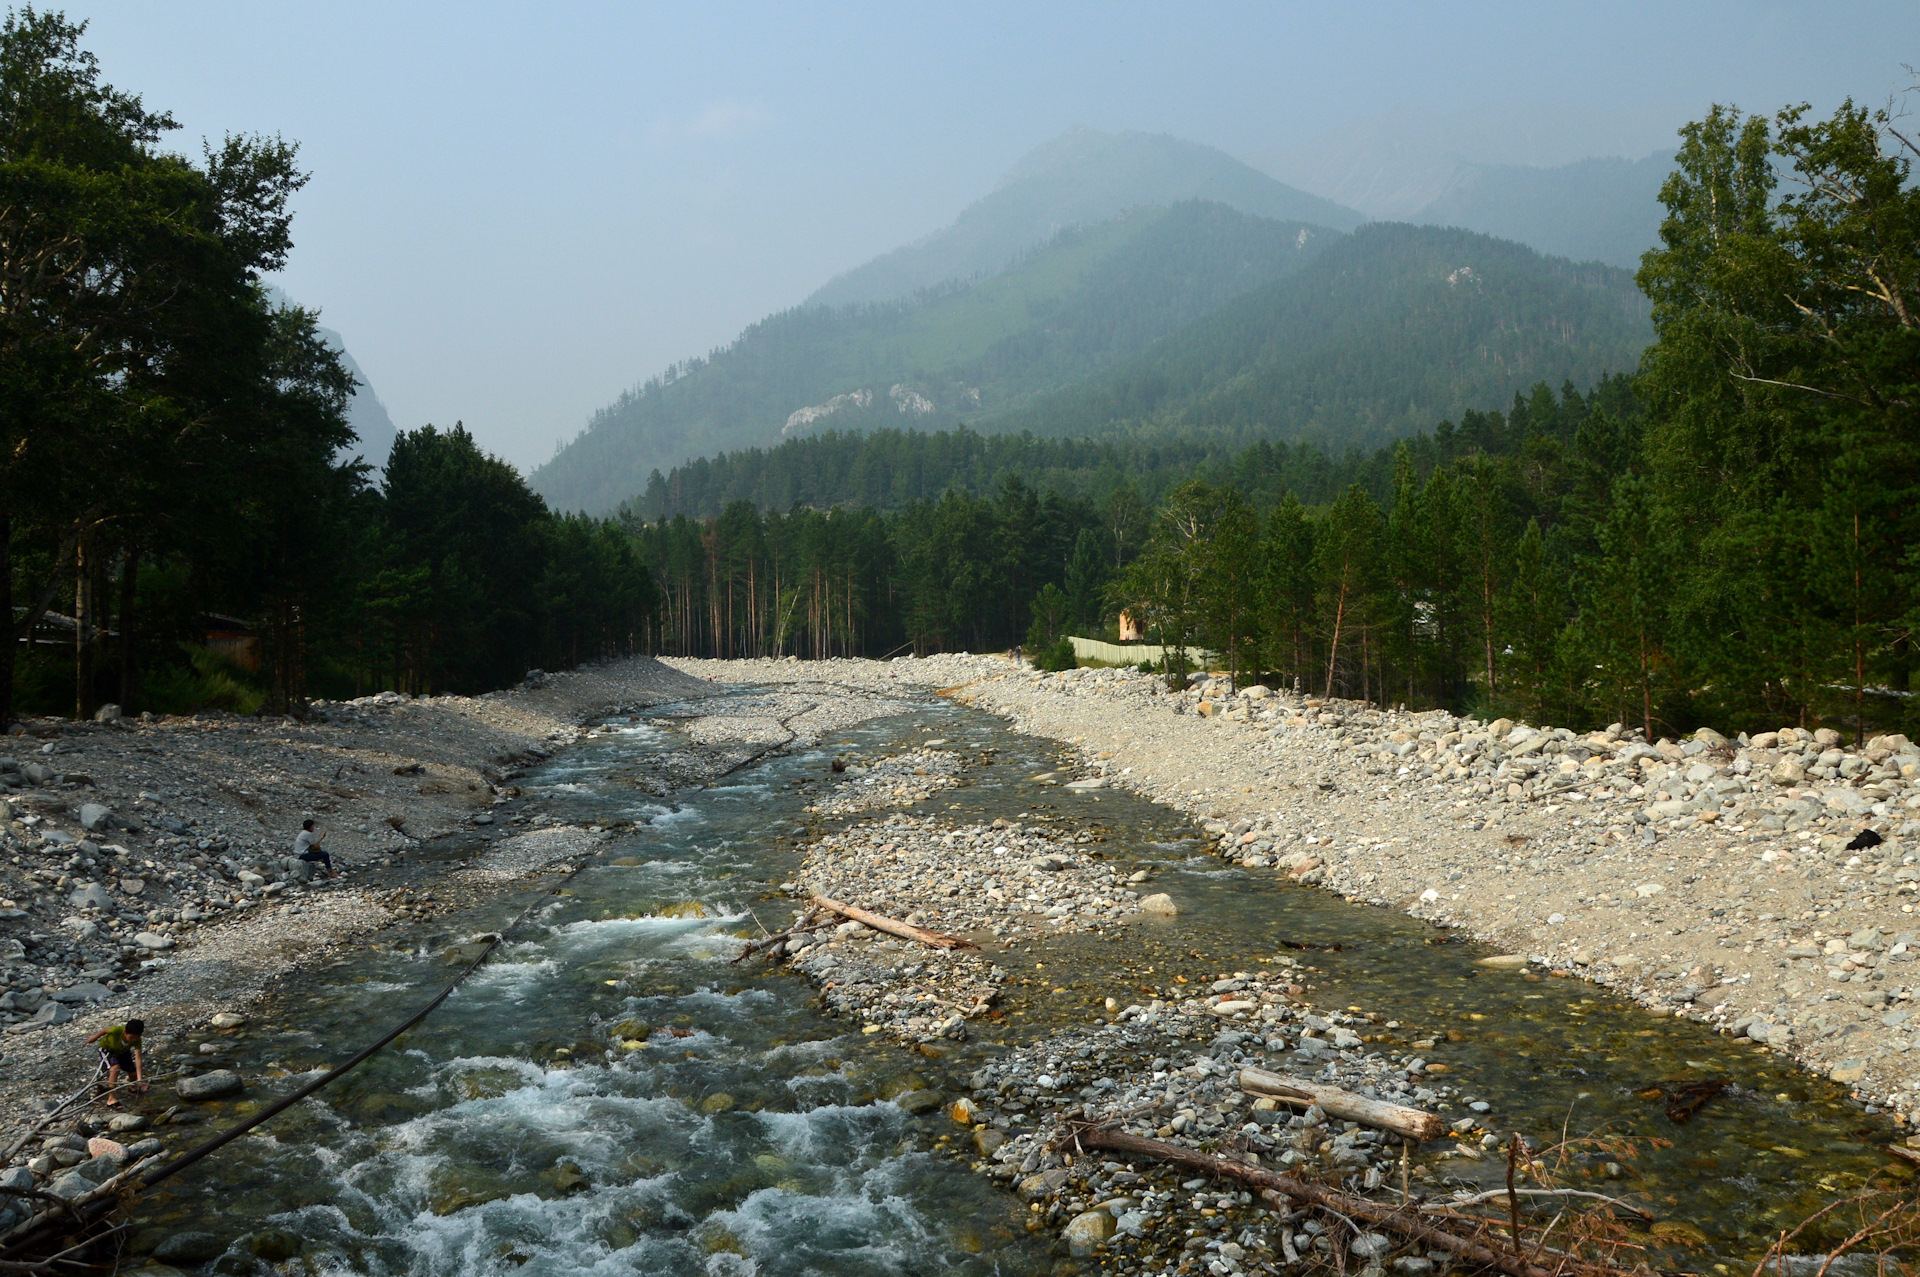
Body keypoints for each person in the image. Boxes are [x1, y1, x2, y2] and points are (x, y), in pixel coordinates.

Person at [86, 1019, 145, 1107]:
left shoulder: (137, 1040)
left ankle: (131, 1086)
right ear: (125, 1032)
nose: (133, 1040)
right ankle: (111, 1098)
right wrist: (94, 1037)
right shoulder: (116, 1030)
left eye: (136, 1038)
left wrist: (140, 1079)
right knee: (115, 1068)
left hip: (122, 1051)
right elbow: (105, 1030)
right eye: (131, 1037)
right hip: (107, 1049)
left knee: (133, 1072)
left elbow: (138, 1058)